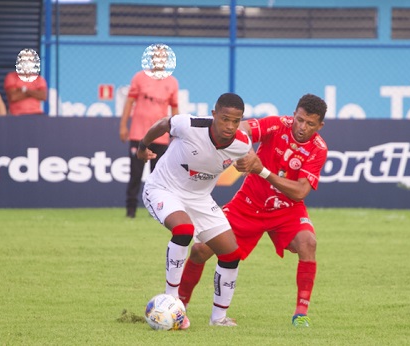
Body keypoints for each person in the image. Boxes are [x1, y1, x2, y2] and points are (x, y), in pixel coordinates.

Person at [178, 93, 328, 327]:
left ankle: (301, 314)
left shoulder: (318, 149)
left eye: (310, 124)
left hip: (287, 210)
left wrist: (262, 170)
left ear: (320, 126)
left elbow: (300, 192)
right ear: (294, 115)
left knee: (308, 243)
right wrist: (246, 151)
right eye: (299, 119)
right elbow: (245, 128)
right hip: (248, 205)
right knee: (200, 249)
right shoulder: (278, 124)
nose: (302, 127)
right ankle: (179, 305)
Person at [137, 92, 252, 329]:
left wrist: (246, 164)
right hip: (163, 188)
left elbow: (247, 159)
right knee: (184, 229)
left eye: (236, 120)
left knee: (231, 254)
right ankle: (173, 300)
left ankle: (218, 319)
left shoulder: (242, 144)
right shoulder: (189, 125)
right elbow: (163, 124)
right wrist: (142, 147)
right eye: (224, 119)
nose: (229, 126)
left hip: (199, 199)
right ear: (213, 115)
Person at [119, 45, 179, 218]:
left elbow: (175, 109)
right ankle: (131, 211)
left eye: (163, 57)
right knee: (135, 174)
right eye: (156, 56)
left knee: (158, 178)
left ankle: (157, 211)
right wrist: (123, 126)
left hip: (160, 137)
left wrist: (176, 133)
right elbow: (129, 103)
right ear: (151, 59)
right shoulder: (139, 77)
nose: (159, 60)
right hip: (139, 134)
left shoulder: (172, 82)